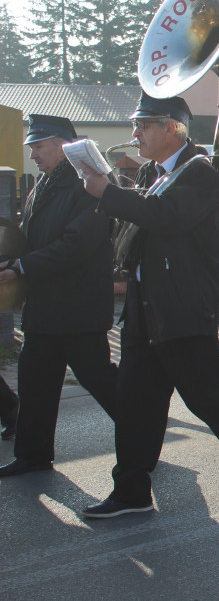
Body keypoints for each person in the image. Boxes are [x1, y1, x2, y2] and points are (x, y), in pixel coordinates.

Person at [79, 93, 219, 518]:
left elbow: (164, 216)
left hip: (183, 308)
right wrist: (107, 192)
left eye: (142, 125)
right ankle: (130, 491)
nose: (135, 134)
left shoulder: (199, 172)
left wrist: (109, 192)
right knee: (135, 405)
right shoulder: (152, 170)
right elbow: (143, 223)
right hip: (144, 309)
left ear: (171, 127)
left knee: (208, 400)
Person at [0, 115, 118, 477]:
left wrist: (21, 266)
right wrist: (12, 259)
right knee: (35, 382)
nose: (32, 154)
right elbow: (31, 238)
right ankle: (33, 455)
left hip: (78, 308)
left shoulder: (91, 185)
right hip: (45, 308)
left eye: (38, 145)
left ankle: (144, 428)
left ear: (63, 145)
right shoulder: (45, 184)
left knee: (99, 379)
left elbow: (76, 245)